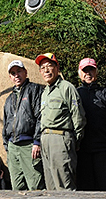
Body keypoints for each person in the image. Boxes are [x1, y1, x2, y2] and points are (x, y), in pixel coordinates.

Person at [35, 52, 86, 190]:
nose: (46, 70)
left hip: (61, 138)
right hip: (45, 140)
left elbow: (78, 116)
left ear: (57, 68)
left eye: (49, 66)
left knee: (64, 185)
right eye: (42, 67)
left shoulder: (67, 87)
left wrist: (75, 140)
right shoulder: (45, 91)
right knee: (51, 186)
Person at [76, 58, 106, 191]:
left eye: (91, 69)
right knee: (85, 189)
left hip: (104, 150)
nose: (88, 73)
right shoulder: (76, 93)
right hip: (82, 151)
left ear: (96, 72)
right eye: (85, 70)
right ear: (79, 73)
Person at [2, 60, 45, 190]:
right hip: (12, 147)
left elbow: (40, 117)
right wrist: (7, 146)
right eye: (13, 73)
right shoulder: (9, 98)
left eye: (19, 71)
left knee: (35, 186)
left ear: (25, 72)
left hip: (29, 145)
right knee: (17, 187)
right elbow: (6, 123)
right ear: (10, 77)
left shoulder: (35, 90)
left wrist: (37, 141)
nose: (16, 75)